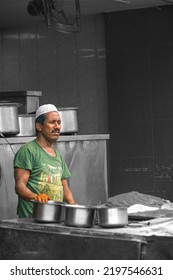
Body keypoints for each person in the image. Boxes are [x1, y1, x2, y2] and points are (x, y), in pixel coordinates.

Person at [13, 104, 76, 218]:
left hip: (54, 218)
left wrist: (73, 205)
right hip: (31, 220)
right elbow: (20, 186)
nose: (57, 126)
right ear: (39, 126)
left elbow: (65, 188)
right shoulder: (28, 151)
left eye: (59, 122)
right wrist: (36, 197)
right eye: (52, 122)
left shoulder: (58, 157)